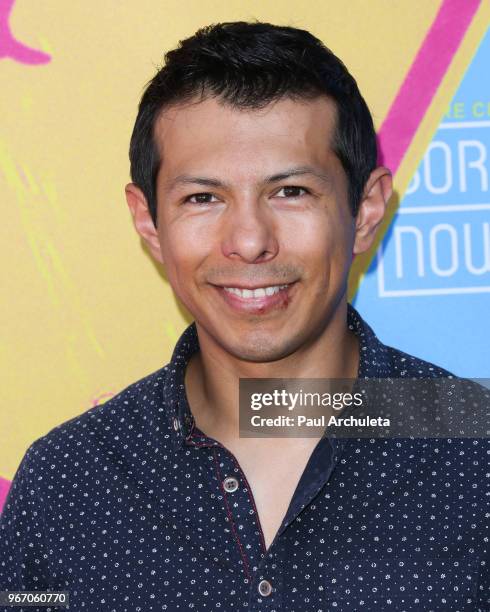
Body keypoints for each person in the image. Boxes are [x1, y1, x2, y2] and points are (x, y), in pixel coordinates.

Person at [0, 21, 488, 612]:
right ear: (149, 222)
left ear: (365, 210)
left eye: (291, 192)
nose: (250, 242)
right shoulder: (66, 483)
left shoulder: (474, 444)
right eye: (202, 198)